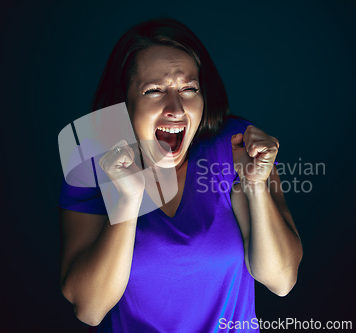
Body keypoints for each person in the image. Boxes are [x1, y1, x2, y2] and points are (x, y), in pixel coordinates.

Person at [58, 18, 302, 332]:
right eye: (154, 91)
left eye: (189, 89)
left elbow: (281, 280)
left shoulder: (236, 146)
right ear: (124, 101)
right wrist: (129, 201)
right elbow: (90, 309)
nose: (176, 108)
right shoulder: (89, 162)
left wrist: (255, 185)